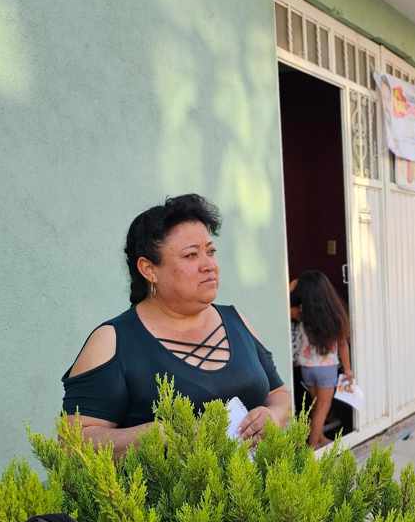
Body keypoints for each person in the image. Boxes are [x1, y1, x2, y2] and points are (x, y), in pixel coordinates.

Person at [62, 194, 291, 454]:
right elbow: (73, 443)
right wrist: (161, 435)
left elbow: (280, 393)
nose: (210, 266)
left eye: (210, 251)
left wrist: (272, 415)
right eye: (191, 255)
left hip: (255, 490)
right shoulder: (113, 340)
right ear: (149, 269)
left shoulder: (236, 321)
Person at [289, 271, 353, 448]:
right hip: (326, 370)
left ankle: (320, 438)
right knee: (322, 409)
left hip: (307, 368)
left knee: (317, 407)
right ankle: (310, 450)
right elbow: (342, 344)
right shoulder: (333, 314)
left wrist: (292, 285)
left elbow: (280, 307)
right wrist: (347, 369)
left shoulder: (301, 313)